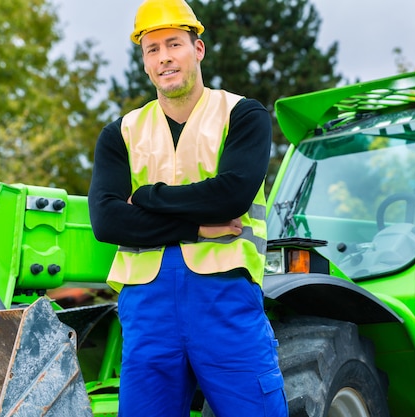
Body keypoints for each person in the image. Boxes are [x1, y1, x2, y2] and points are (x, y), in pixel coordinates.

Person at [87, 0, 288, 415]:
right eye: (152, 49)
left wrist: (143, 197)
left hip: (225, 298)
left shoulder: (243, 115)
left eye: (174, 44)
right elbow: (107, 221)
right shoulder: (120, 134)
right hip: (147, 307)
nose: (164, 58)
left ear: (198, 49)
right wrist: (198, 228)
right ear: (144, 62)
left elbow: (230, 196)